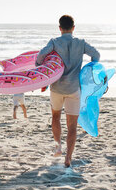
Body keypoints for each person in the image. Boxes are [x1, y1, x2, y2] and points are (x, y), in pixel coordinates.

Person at [36, 15, 100, 167]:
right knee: (72, 126)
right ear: (73, 28)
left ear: (59, 28)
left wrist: (41, 70)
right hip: (73, 89)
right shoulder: (81, 43)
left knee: (55, 117)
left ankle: (58, 146)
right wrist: (88, 70)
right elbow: (96, 56)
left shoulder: (54, 42)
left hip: (57, 88)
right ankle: (68, 158)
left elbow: (40, 56)